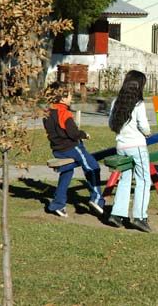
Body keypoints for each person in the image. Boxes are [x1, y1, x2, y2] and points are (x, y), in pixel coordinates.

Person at [43, 82, 105, 217]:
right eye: (70, 95)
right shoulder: (64, 113)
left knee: (67, 172)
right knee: (93, 167)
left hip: (57, 149)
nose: (71, 97)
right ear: (62, 98)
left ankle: (58, 204)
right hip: (72, 148)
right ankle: (97, 199)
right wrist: (84, 135)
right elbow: (73, 133)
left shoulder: (47, 112)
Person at [107, 70, 152, 233]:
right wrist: (148, 133)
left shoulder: (116, 102)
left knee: (125, 180)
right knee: (144, 180)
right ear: (139, 86)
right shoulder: (139, 104)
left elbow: (111, 123)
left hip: (121, 146)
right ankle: (140, 216)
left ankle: (117, 214)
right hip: (137, 146)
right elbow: (144, 126)